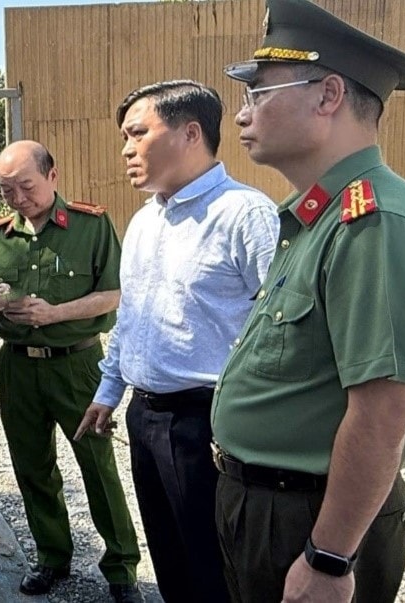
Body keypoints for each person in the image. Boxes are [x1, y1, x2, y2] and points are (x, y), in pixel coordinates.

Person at [210, 1, 405, 601]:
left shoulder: (378, 223)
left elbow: (381, 412)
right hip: (269, 505)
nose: (243, 114)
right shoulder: (319, 217)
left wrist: (328, 558)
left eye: (260, 92)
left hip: (308, 519)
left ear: (327, 96)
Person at [74, 80, 279, 603]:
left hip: (209, 422)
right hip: (147, 418)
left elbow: (280, 328)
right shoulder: (145, 221)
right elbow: (133, 315)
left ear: (191, 133)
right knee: (169, 557)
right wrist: (109, 390)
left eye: (137, 133)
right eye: (124, 136)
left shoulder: (245, 215)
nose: (125, 149)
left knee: (215, 564)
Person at [0, 141, 143, 603]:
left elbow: (113, 294)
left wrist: (56, 313)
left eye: (26, 186)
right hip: (18, 368)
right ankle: (52, 555)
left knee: (97, 464)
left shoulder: (90, 225)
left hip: (77, 363)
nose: (18, 198)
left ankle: (122, 568)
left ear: (52, 176)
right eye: (7, 190)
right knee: (32, 465)